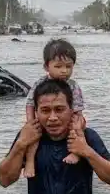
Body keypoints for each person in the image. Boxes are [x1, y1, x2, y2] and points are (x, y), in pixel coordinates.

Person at [24, 39, 86, 175]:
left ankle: (76, 153)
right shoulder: (40, 84)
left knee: (78, 128)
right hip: (42, 121)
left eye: (68, 67)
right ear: (47, 67)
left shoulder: (73, 86)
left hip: (69, 119)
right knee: (33, 136)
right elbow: (29, 104)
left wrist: (76, 123)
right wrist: (31, 122)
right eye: (58, 67)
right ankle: (29, 161)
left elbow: (78, 109)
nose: (64, 71)